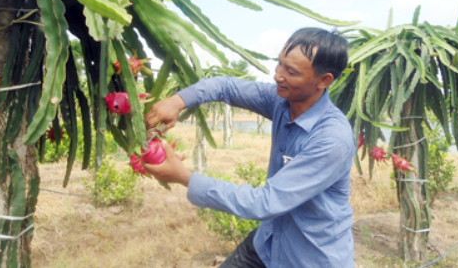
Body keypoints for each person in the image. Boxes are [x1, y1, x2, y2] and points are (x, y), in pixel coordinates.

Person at [144, 27, 356, 268]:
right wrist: (178, 100)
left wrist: (184, 178)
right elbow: (226, 86)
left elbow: (265, 202)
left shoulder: (331, 139)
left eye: (291, 71)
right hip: (266, 244)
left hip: (308, 258)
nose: (278, 76)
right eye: (280, 64)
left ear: (324, 80)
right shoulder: (280, 101)